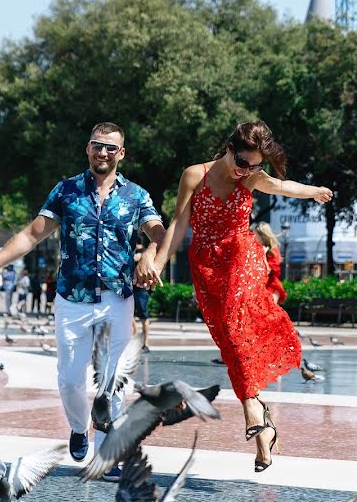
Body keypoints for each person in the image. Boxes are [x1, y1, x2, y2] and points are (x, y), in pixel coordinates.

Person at [0, 122, 165, 481]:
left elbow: (161, 233)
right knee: (71, 380)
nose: (102, 152)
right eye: (95, 146)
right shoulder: (67, 190)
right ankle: (78, 425)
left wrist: (151, 251)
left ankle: (107, 455)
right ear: (88, 149)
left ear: (122, 154)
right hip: (72, 298)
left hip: (117, 299)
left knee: (113, 381)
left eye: (110, 147)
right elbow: (31, 235)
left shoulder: (136, 196)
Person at [138, 121, 332, 472]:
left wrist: (314, 190)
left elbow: (283, 186)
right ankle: (264, 434)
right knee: (231, 343)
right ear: (228, 150)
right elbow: (179, 224)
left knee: (235, 331)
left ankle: (252, 410)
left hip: (240, 258)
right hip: (206, 265)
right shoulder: (194, 176)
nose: (247, 171)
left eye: (255, 166)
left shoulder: (254, 177)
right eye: (242, 163)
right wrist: (160, 264)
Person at [251, 222, 287, 304]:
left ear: (263, 236)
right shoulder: (255, 250)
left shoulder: (273, 251)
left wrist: (263, 255)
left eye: (255, 235)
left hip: (271, 286)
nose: (254, 237)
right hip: (260, 286)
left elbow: (267, 271)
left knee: (270, 313)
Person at [131, 245, 151, 352]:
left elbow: (135, 258)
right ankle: (135, 334)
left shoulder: (143, 251)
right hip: (131, 287)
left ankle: (146, 343)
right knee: (129, 315)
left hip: (141, 289)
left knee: (143, 316)